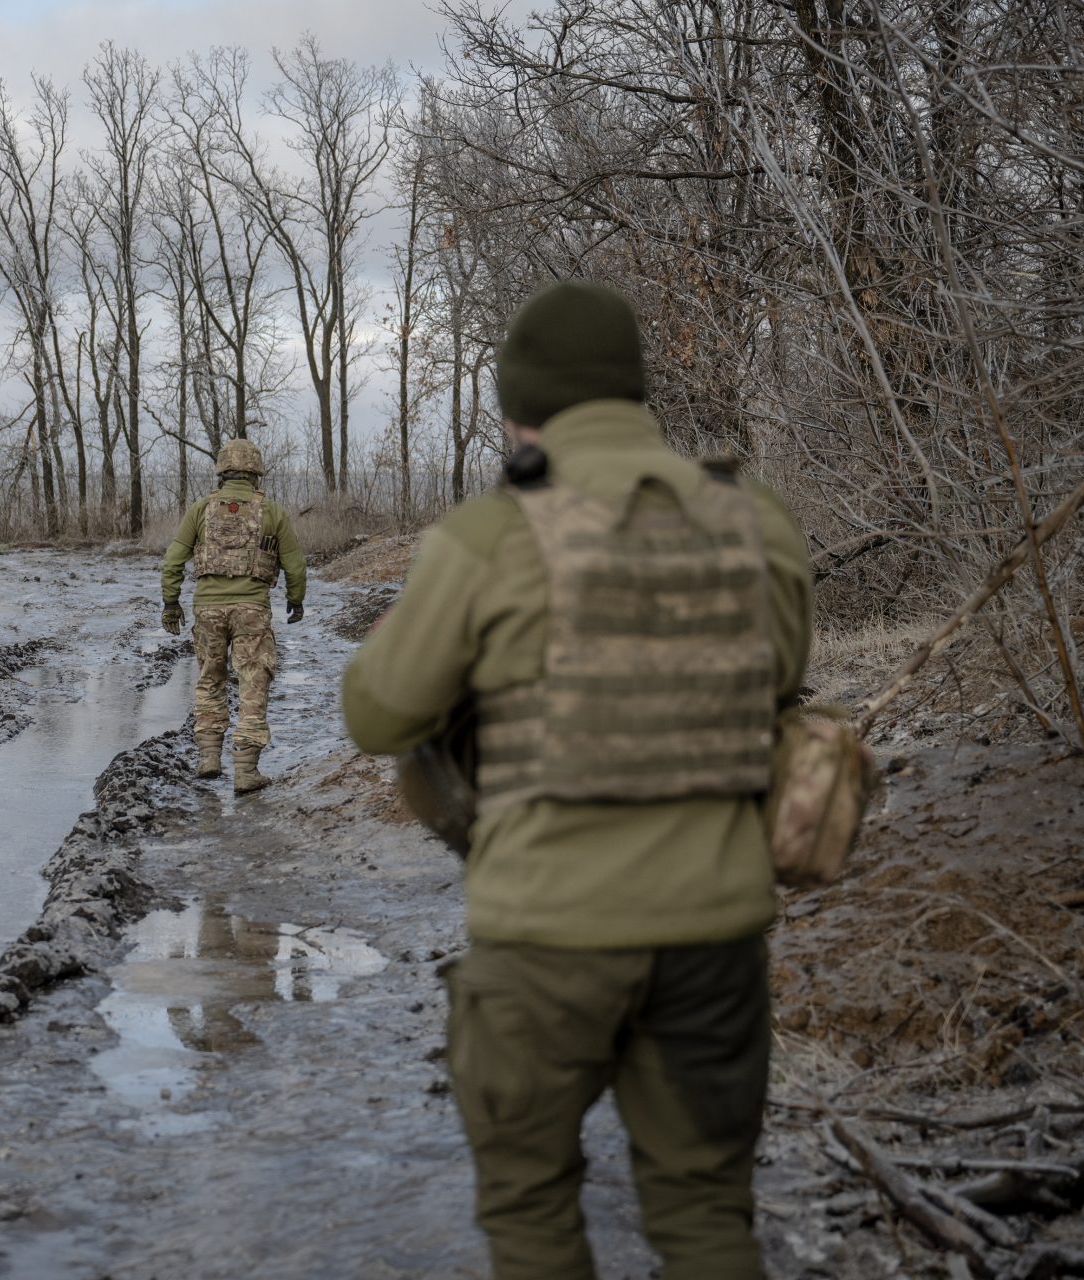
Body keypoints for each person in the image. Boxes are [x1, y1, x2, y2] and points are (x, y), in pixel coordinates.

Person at [342, 281, 812, 1279]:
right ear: (636, 396)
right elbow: (779, 680)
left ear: (523, 412)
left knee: (531, 1208)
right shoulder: (754, 523)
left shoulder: (488, 536)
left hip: (544, 937)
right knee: (703, 1210)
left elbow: (377, 715)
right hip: (714, 935)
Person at [161, 437, 307, 794]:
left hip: (207, 610)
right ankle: (245, 771)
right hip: (252, 610)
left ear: (223, 471)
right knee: (253, 681)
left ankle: (209, 758)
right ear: (256, 472)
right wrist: (296, 600)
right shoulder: (271, 511)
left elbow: (173, 560)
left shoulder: (200, 509)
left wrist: (171, 603)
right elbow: (296, 566)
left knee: (210, 679)